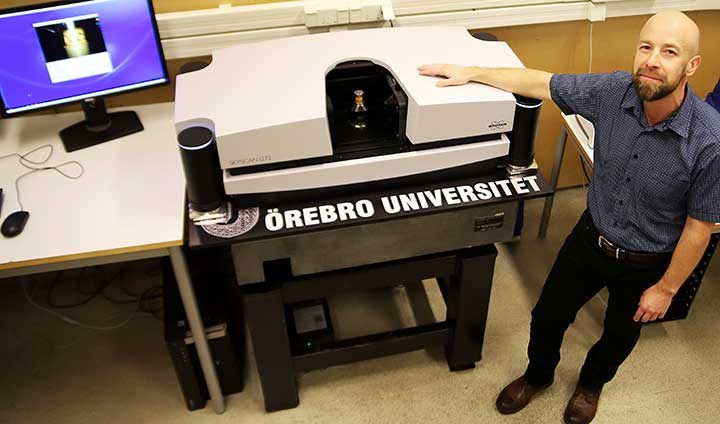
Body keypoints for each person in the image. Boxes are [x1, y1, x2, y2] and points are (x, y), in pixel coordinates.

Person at [419, 10, 720, 424]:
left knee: (618, 336)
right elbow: (542, 83)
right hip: (591, 237)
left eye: (669, 52)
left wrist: (666, 290)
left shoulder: (710, 141)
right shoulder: (614, 90)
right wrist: (469, 71)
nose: (652, 60)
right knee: (547, 316)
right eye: (646, 47)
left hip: (648, 263)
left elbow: (699, 227)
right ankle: (538, 376)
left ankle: (590, 385)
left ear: (692, 65)